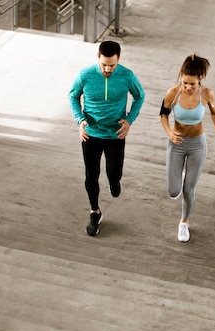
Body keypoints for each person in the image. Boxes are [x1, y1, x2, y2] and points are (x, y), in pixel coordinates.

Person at [69, 40, 145, 236]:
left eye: (112, 65)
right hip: (91, 133)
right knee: (91, 175)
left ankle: (114, 181)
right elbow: (73, 96)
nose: (108, 69)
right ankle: (95, 212)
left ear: (119, 59)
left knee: (113, 174)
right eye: (104, 64)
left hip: (115, 134)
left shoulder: (127, 76)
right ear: (98, 58)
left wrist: (129, 120)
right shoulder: (85, 75)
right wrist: (80, 120)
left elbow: (140, 96)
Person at [159, 53, 215, 242]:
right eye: (185, 82)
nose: (187, 87)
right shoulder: (173, 93)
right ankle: (177, 174)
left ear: (200, 80)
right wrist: (169, 132)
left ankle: (184, 223)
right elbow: (163, 115)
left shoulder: (207, 94)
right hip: (177, 144)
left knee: (189, 189)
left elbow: (213, 112)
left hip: (197, 144)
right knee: (173, 191)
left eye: (192, 84)